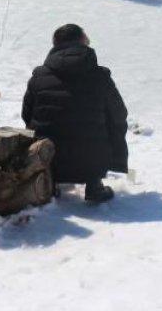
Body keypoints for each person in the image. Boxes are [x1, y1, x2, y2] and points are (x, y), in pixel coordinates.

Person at [22, 23, 128, 203]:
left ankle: (50, 181)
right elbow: (119, 114)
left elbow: (27, 115)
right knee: (111, 121)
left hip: (50, 157)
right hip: (91, 159)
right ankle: (94, 183)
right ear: (82, 42)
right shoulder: (100, 76)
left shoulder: (39, 76)